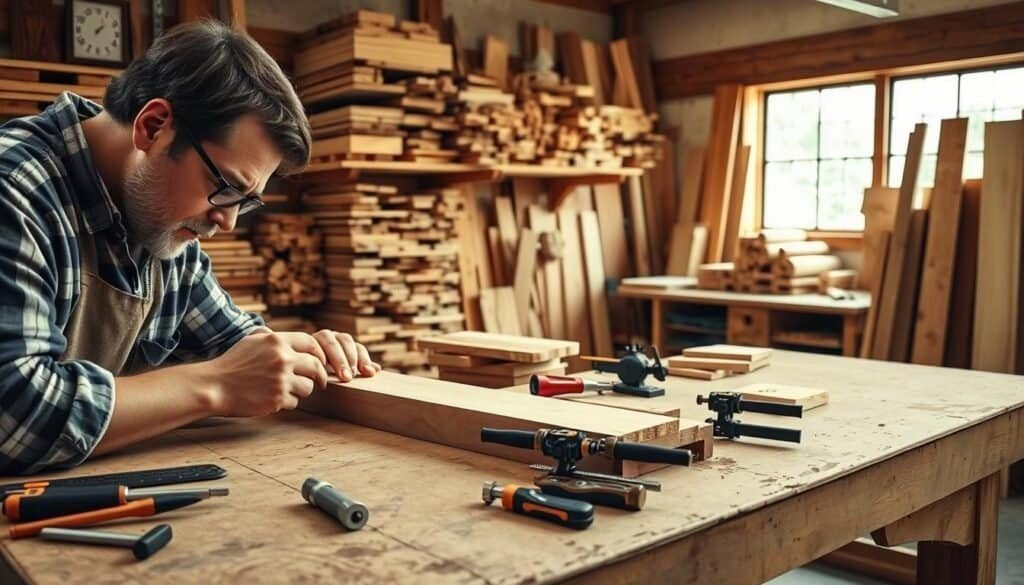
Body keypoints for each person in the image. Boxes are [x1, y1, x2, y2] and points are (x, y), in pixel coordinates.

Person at [0, 20, 380, 475]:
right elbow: (15, 415)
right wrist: (215, 386)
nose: (228, 220)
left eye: (247, 201)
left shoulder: (157, 222)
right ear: (154, 126)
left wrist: (302, 356)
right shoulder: (16, 191)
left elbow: (235, 344)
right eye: (226, 187)